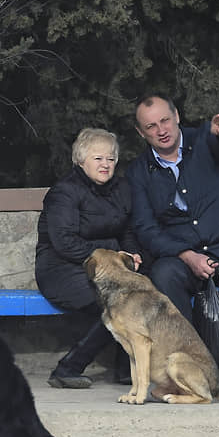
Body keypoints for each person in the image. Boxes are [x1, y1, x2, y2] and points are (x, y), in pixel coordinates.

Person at [127, 93, 219, 384]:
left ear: (177, 117)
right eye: (151, 126)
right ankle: (195, 362)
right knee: (163, 273)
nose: (161, 130)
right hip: (183, 254)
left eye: (165, 120)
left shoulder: (203, 140)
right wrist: (187, 255)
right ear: (140, 132)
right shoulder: (138, 173)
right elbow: (146, 229)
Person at [36, 128, 143, 389]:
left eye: (111, 159)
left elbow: (127, 230)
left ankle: (125, 369)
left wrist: (131, 254)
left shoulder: (121, 188)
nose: (106, 165)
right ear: (81, 160)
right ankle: (68, 368)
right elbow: (65, 242)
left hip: (106, 268)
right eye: (98, 158)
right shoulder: (64, 192)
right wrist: (113, 256)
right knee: (115, 303)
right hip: (61, 269)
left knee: (135, 297)